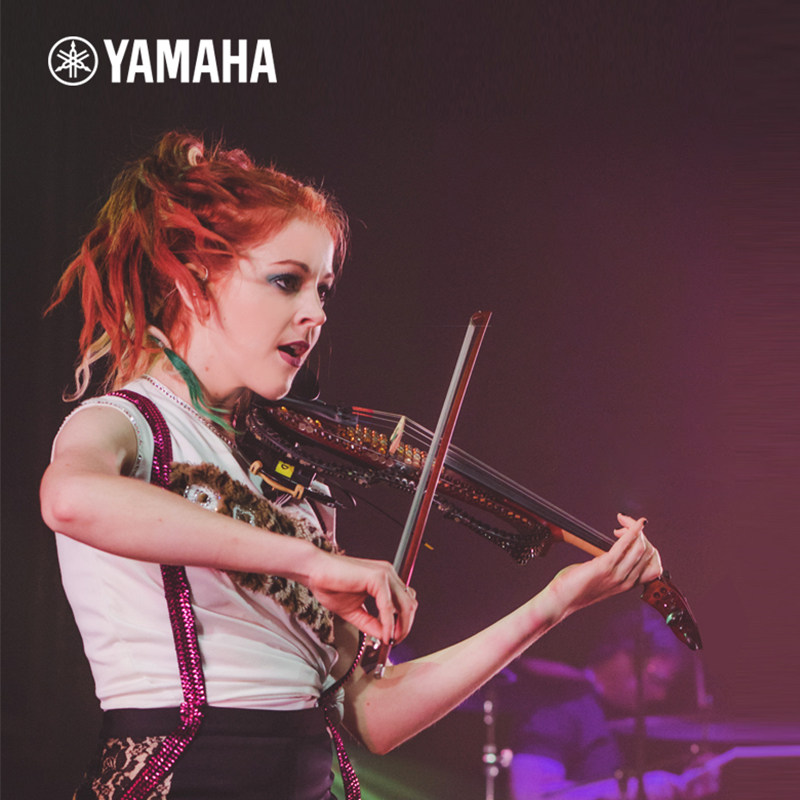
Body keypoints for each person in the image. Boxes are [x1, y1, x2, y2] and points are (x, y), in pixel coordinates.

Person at [40, 131, 664, 799]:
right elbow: (71, 499)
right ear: (193, 281)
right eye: (286, 281)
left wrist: (556, 602)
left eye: (323, 289)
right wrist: (309, 562)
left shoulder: (292, 482)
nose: (315, 314)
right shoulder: (130, 422)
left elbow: (372, 716)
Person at [509, 611, 718, 800]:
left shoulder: (614, 717)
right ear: (623, 658)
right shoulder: (563, 707)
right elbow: (529, 796)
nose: (660, 696)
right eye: (658, 680)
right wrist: (631, 790)